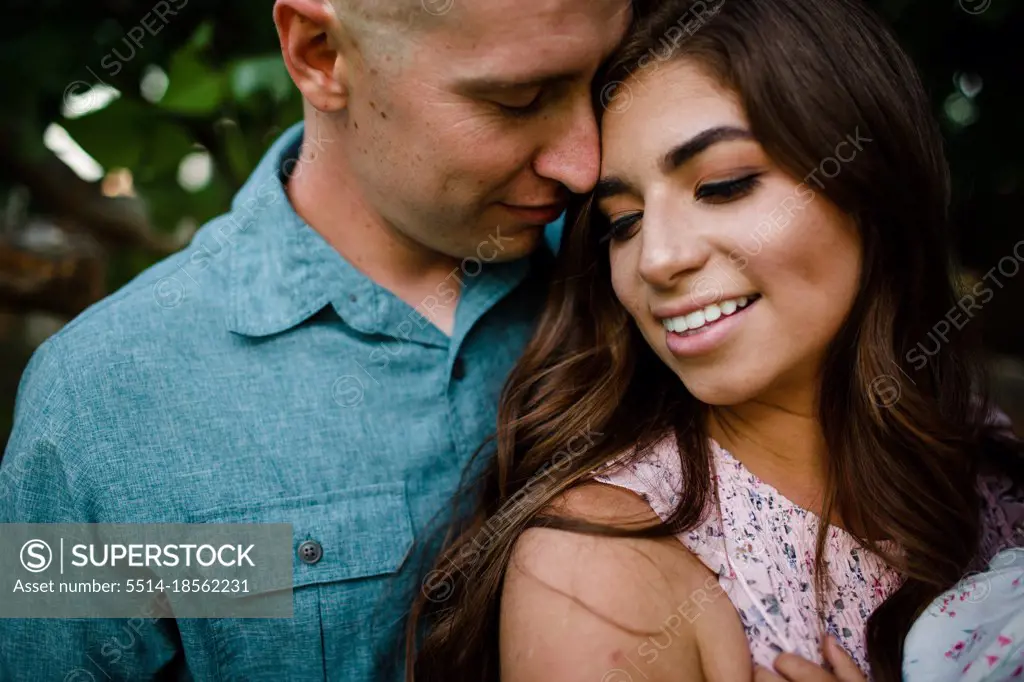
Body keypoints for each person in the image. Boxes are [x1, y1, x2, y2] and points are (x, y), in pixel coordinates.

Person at [0, 0, 631, 680]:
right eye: (518, 99)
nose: (585, 164)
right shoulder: (98, 400)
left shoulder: (641, 276)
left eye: (603, 86)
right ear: (319, 53)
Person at [408, 0, 1024, 681]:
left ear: (870, 184)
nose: (656, 260)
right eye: (622, 221)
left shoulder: (986, 453)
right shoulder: (598, 570)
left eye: (723, 186)